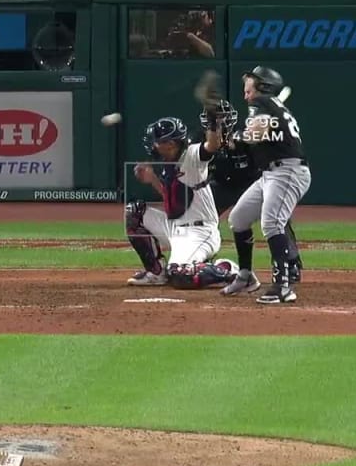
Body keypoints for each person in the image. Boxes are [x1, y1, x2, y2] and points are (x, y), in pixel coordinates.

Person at [219, 65, 311, 304]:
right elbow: (258, 134)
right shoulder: (268, 105)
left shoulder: (262, 103)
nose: (245, 92)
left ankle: (283, 286)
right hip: (271, 173)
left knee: (272, 224)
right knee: (238, 219)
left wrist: (238, 138)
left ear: (262, 85)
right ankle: (246, 276)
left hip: (288, 171)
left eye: (249, 84)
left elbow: (255, 136)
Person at [125, 116, 238, 289]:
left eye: (157, 142)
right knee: (134, 212)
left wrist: (214, 124)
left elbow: (211, 146)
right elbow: (174, 202)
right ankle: (156, 273)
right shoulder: (168, 163)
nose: (153, 145)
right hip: (175, 227)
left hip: (199, 232)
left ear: (170, 144)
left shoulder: (192, 156)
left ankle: (227, 269)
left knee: (181, 275)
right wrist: (153, 179)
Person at [202, 99, 304, 285]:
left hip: (251, 182)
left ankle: (291, 263)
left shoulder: (249, 128)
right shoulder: (205, 140)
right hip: (222, 184)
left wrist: (242, 142)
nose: (221, 121)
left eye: (224, 117)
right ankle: (201, 259)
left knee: (278, 215)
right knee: (202, 215)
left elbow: (260, 143)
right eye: (217, 119)